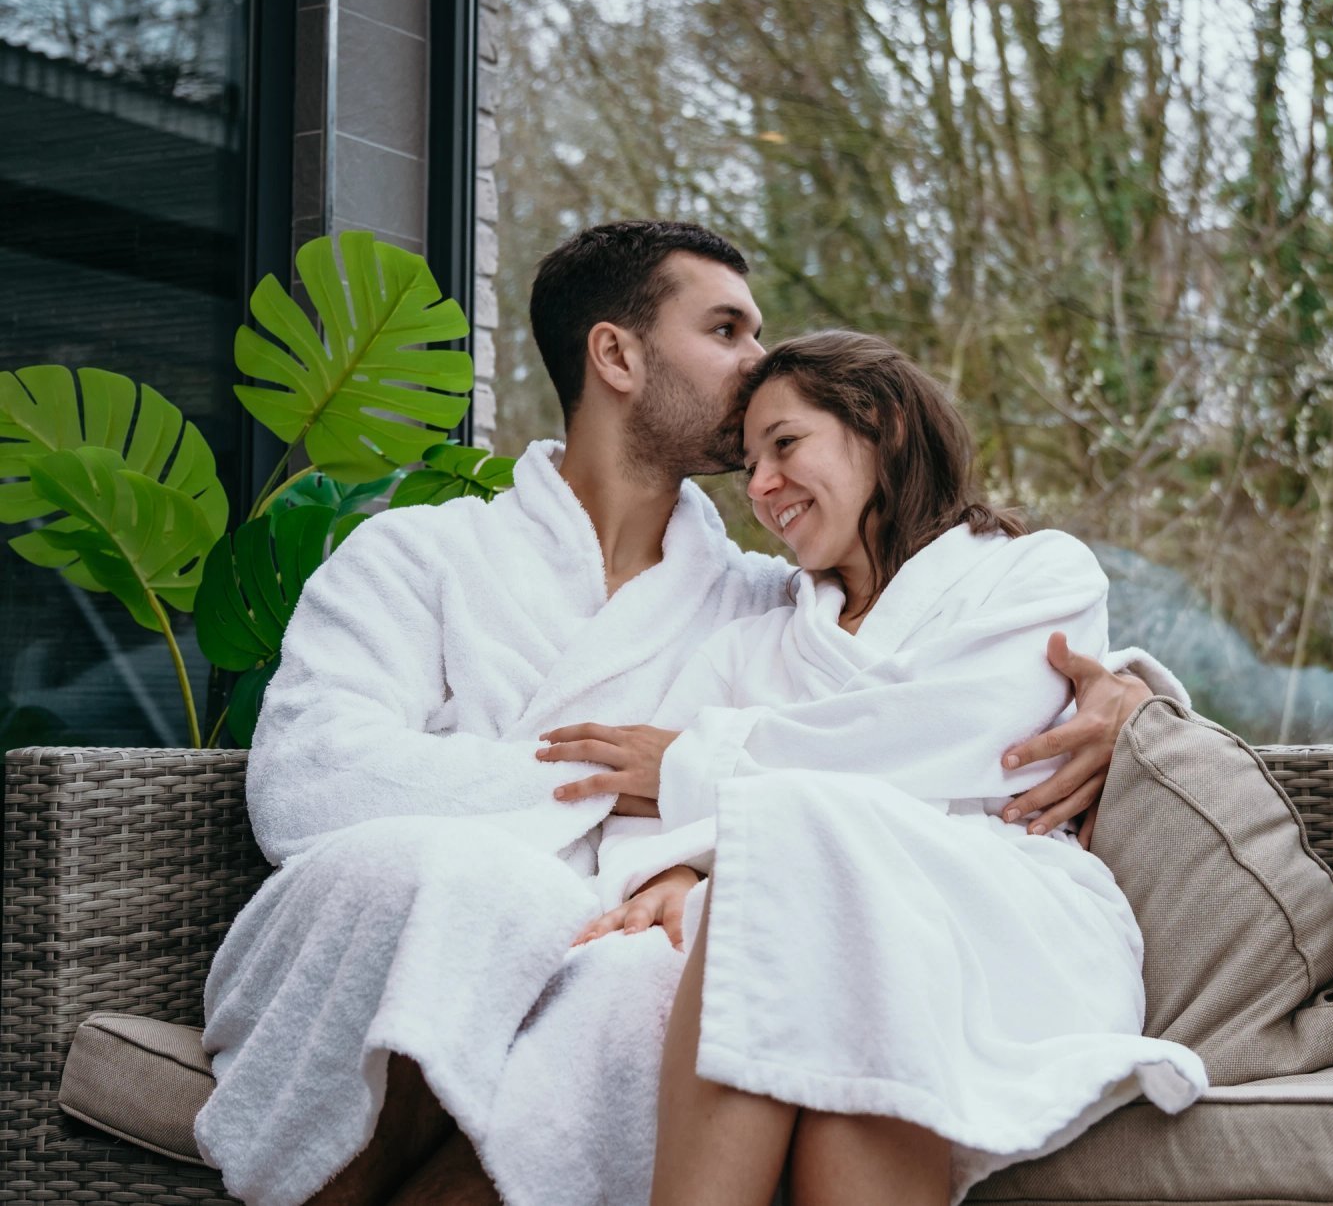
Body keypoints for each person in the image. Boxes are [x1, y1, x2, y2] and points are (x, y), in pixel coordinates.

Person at [195, 221, 1180, 1206]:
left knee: (655, 976)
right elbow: (311, 778)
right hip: (466, 905)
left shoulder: (756, 600)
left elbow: (900, 705)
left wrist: (1124, 692)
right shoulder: (419, 554)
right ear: (617, 354)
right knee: (475, 888)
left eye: (780, 430)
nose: (757, 362)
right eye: (727, 330)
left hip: (655, 933)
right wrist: (611, 813)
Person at [547, 330, 1207, 1205]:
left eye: (785, 445)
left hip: (1008, 910)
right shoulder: (752, 642)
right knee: (812, 899)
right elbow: (637, 799)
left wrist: (704, 770)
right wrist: (669, 862)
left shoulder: (1034, 573)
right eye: (747, 466)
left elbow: (963, 733)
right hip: (824, 911)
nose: (761, 487)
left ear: (885, 426)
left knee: (797, 851)